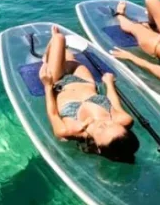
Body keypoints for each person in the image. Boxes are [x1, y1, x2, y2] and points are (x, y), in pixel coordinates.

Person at [39, 26, 139, 162]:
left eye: (101, 130)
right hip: (83, 79)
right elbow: (113, 102)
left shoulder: (68, 131)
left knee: (59, 38)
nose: (103, 124)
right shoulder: (123, 120)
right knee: (68, 57)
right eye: (110, 124)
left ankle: (46, 57)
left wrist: (47, 86)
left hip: (58, 82)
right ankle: (58, 54)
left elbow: (53, 113)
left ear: (98, 147)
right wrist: (108, 83)